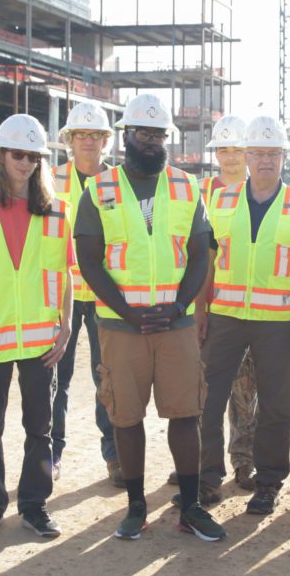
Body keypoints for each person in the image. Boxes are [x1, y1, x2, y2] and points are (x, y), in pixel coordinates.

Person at [75, 93, 226, 542]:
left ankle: (191, 506)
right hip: (122, 327)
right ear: (126, 137)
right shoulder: (99, 190)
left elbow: (201, 254)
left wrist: (180, 306)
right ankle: (136, 507)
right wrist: (128, 311)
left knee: (185, 414)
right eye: (144, 133)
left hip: (174, 326)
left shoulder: (184, 187)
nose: (153, 141)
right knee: (125, 417)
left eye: (159, 134)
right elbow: (89, 260)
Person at [197, 116, 290, 516]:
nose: (266, 160)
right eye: (258, 153)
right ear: (246, 156)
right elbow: (208, 260)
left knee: (275, 404)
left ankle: (268, 483)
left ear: (283, 157)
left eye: (273, 153)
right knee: (208, 398)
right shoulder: (221, 200)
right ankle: (207, 477)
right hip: (225, 318)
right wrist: (201, 310)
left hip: (275, 322)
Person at [0, 114, 73, 538]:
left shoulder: (59, 213)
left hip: (42, 340)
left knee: (39, 428)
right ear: (2, 156)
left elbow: (67, 276)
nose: (25, 163)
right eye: (17, 154)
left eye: (33, 156)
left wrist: (66, 329)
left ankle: (34, 505)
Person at [172, 115, 259, 492]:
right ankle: (202, 465)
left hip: (253, 309)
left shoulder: (262, 190)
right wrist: (197, 308)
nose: (230, 156)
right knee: (203, 391)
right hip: (210, 307)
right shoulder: (200, 192)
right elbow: (193, 254)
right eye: (223, 148)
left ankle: (245, 462)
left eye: (237, 148)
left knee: (244, 393)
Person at [52, 101, 121, 486]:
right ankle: (51, 455)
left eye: (96, 135)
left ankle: (115, 454)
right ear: (69, 140)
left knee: (106, 375)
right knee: (55, 377)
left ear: (105, 141)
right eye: (82, 135)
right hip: (60, 294)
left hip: (102, 293)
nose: (89, 142)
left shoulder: (118, 184)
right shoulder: (50, 180)